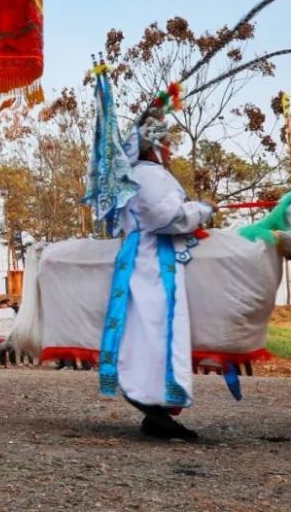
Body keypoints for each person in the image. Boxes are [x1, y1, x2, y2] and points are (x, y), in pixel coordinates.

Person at [100, 108, 214, 440]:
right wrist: (202, 209)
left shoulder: (148, 173)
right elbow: (162, 218)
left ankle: (158, 408)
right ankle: (149, 403)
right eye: (166, 141)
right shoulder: (147, 175)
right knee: (152, 329)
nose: (171, 147)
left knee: (156, 330)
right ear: (151, 144)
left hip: (157, 257)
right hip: (150, 259)